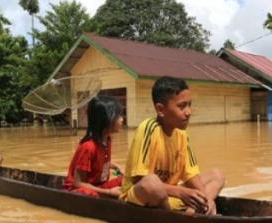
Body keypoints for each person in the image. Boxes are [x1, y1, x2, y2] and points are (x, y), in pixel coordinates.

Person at [120, 76, 224, 215]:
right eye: (181, 106)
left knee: (217, 176)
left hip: (169, 196)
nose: (188, 112)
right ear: (160, 109)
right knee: (152, 182)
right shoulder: (148, 129)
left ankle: (197, 210)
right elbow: (140, 180)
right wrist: (181, 192)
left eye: (189, 105)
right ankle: (174, 217)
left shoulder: (182, 134)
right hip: (142, 197)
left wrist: (205, 197)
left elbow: (191, 175)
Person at [63, 95, 125, 198]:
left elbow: (99, 162)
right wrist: (109, 193)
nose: (122, 119)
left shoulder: (107, 140)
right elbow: (78, 183)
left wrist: (117, 167)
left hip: (99, 186)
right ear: (106, 120)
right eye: (118, 116)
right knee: (91, 194)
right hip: (78, 190)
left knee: (127, 180)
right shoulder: (88, 147)